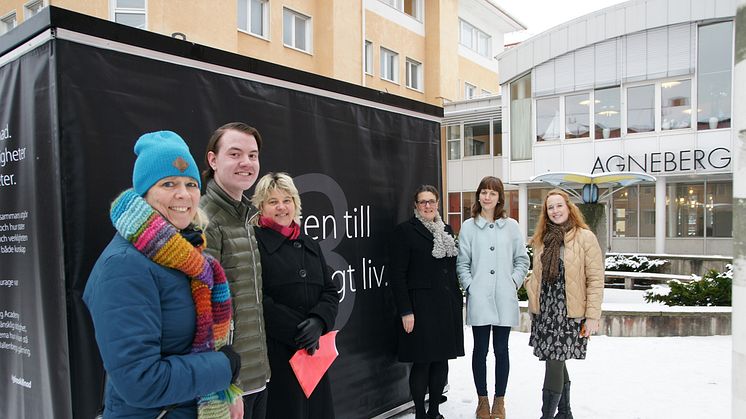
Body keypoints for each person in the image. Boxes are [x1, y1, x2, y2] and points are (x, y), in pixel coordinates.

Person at [84, 131, 242, 418]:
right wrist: (223, 368)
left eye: (191, 184)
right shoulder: (124, 267)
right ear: (144, 193)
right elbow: (141, 382)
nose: (183, 194)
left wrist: (226, 391)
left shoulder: (187, 255)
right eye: (168, 183)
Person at [250, 172, 339, 419]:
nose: (281, 207)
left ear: (296, 204)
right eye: (273, 201)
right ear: (261, 207)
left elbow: (330, 290)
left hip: (314, 358)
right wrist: (300, 331)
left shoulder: (310, 243)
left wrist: (319, 321)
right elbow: (257, 299)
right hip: (278, 357)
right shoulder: (254, 244)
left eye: (287, 200)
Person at [200, 122, 271, 419]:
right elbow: (202, 310)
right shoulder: (207, 220)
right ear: (213, 160)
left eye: (253, 155)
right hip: (232, 384)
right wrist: (224, 386)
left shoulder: (244, 218)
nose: (246, 163)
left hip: (255, 375)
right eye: (235, 153)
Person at [525, 188, 603, 419]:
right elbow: (536, 274)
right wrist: (530, 290)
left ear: (569, 207)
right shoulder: (542, 239)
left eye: (559, 205)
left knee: (555, 362)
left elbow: (596, 279)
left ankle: (547, 416)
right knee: (554, 360)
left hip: (570, 311)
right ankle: (565, 413)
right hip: (546, 310)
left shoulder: (585, 237)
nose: (555, 211)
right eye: (550, 207)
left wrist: (592, 316)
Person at [456, 176, 529, 419]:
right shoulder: (468, 226)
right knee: (480, 350)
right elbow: (462, 263)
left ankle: (500, 401)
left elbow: (522, 259)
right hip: (479, 298)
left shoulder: (512, 226)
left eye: (492, 193)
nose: (487, 197)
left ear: (499, 198)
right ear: (478, 195)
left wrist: (512, 282)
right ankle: (482, 401)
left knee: (501, 349)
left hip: (503, 297)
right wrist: (471, 286)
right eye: (484, 192)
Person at [390, 185, 465, 419]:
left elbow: (449, 270)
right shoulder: (405, 231)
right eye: (423, 202)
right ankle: (421, 414)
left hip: (445, 306)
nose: (428, 206)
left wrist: (457, 303)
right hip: (419, 308)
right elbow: (397, 275)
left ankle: (434, 411)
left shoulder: (446, 230)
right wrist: (405, 311)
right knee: (422, 363)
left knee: (441, 361)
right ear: (415, 206)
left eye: (431, 201)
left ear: (438, 203)